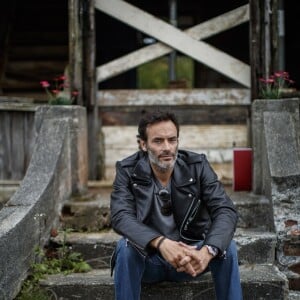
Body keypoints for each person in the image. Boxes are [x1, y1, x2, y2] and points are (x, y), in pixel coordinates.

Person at [110, 111, 243, 300]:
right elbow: (120, 215)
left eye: (172, 140)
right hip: (150, 261)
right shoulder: (127, 170)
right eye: (158, 141)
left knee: (225, 246)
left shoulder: (197, 165)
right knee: (125, 247)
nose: (167, 147)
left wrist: (206, 252)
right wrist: (160, 242)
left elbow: (225, 210)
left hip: (192, 259)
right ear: (143, 144)